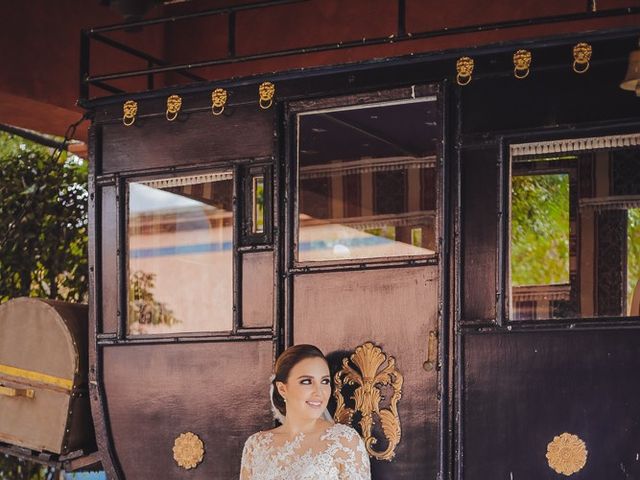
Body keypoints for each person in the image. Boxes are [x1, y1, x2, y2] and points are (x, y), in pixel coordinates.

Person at [240, 344, 371, 479]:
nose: (319, 392)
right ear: (282, 389)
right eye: (307, 381)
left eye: (325, 381)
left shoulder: (344, 441)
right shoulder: (256, 445)